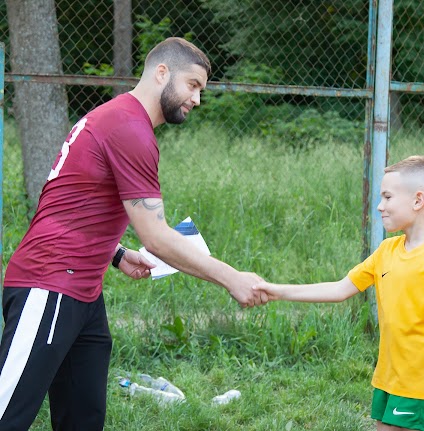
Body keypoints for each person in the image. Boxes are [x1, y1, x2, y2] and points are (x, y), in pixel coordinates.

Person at [0, 37, 267, 431]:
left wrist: (117, 254)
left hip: (84, 296)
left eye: (201, 90)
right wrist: (231, 278)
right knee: (7, 415)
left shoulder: (118, 117)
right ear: (162, 73)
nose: (197, 99)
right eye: (192, 85)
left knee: (83, 419)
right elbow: (157, 236)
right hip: (50, 286)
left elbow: (69, 198)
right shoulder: (129, 129)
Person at [254, 155, 424, 431]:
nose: (379, 207)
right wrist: (275, 291)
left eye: (387, 197)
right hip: (388, 380)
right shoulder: (387, 251)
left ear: (418, 200)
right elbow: (339, 289)